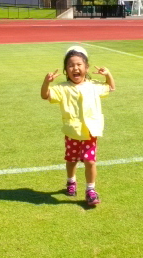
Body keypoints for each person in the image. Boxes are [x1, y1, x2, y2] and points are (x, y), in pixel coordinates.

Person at [41, 46, 115, 206]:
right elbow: (45, 95)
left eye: (79, 64)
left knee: (90, 161)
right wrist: (46, 82)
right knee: (71, 160)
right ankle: (71, 182)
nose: (75, 68)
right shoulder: (62, 88)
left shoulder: (94, 85)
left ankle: (90, 190)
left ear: (86, 67)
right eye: (71, 65)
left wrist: (108, 74)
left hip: (90, 132)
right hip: (72, 131)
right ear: (66, 70)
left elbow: (110, 87)